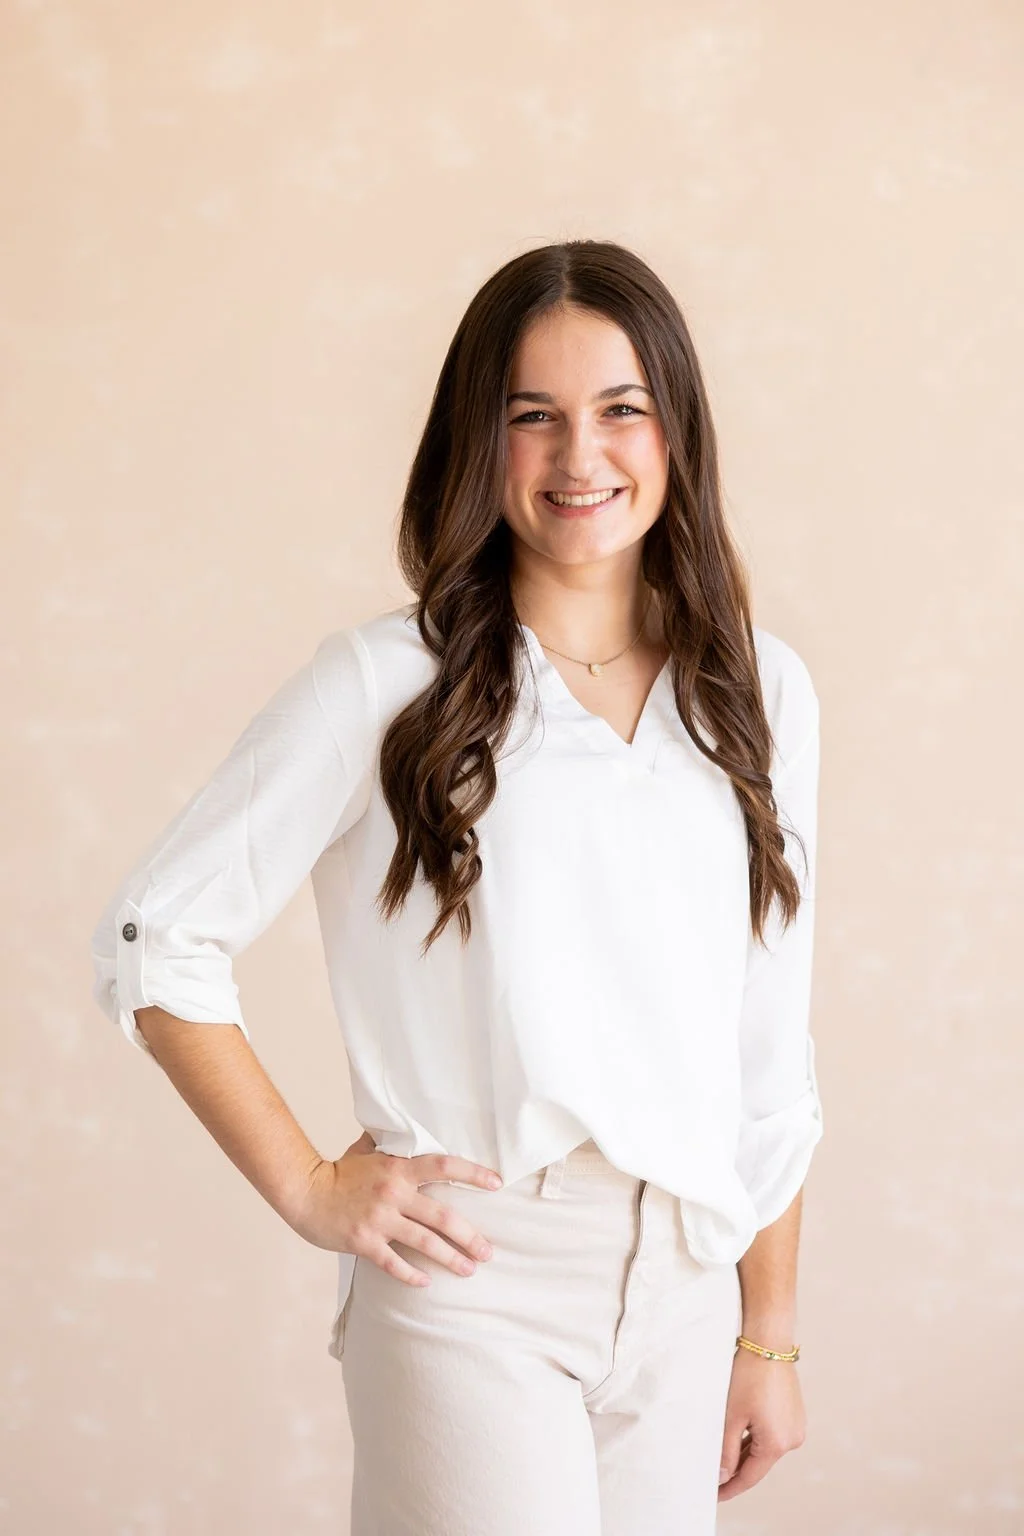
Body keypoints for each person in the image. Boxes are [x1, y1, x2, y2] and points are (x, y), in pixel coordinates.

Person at [90, 239, 824, 1535]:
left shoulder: (759, 693)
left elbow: (765, 1052)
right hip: (474, 1276)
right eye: (530, 416)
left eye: (620, 410)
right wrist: (312, 1185)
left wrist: (768, 1333)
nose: (577, 455)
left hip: (688, 1280)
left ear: (678, 431)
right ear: (474, 444)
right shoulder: (387, 683)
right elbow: (159, 938)